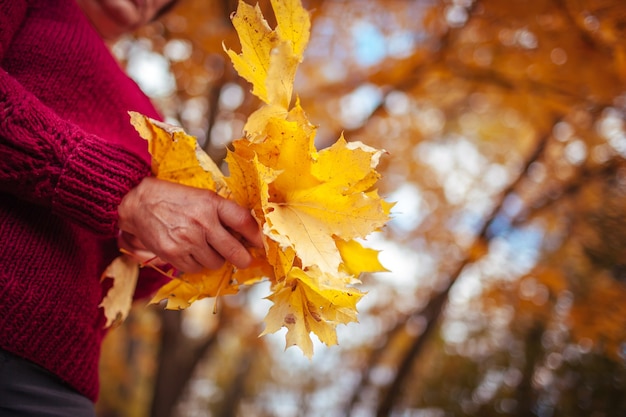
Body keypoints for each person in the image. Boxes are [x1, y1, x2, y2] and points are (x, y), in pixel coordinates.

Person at [0, 0, 263, 415]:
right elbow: (126, 198)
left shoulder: (154, 120)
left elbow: (126, 276)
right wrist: (125, 195)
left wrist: (159, 250)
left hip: (64, 371)